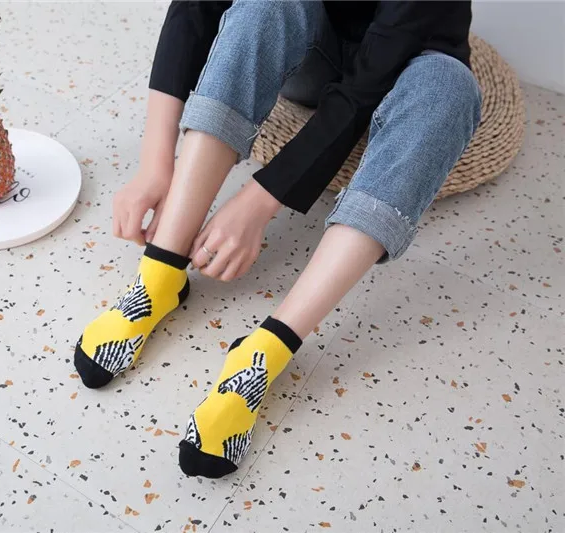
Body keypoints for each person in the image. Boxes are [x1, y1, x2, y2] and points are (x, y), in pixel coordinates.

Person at [73, 0, 481, 479]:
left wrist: (259, 200)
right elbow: (196, 5)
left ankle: (264, 353)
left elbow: (367, 84)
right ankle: (160, 272)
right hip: (319, 46)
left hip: (414, 57)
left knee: (449, 91)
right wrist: (154, 163)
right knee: (266, 5)